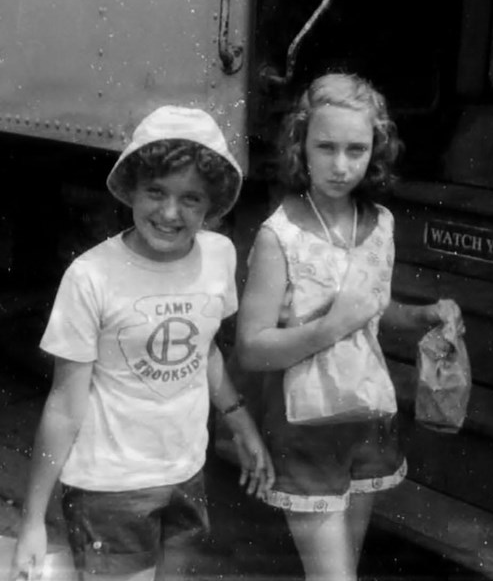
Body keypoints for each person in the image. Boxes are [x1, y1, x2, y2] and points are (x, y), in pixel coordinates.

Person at [10, 105, 274, 581]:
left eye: (191, 199)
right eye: (156, 192)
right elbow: (64, 406)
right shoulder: (91, 276)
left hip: (185, 475)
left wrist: (240, 422)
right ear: (131, 186)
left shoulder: (218, 256)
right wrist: (32, 519)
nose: (170, 213)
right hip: (108, 489)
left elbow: (205, 349)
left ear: (211, 204)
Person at [235, 73, 462, 581]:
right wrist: (330, 326)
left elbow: (374, 314)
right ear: (301, 145)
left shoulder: (380, 224)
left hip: (366, 417)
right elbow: (251, 348)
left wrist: (423, 315)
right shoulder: (281, 237)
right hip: (306, 426)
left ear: (375, 150)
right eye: (326, 147)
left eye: (356, 149)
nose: (341, 165)